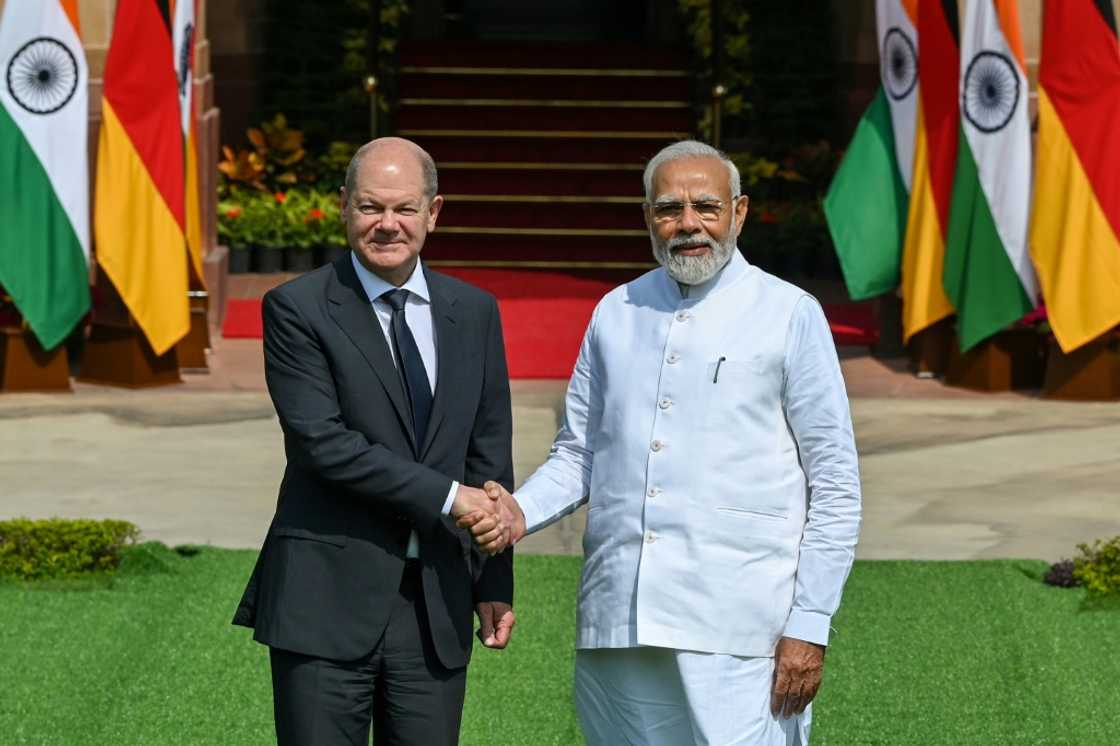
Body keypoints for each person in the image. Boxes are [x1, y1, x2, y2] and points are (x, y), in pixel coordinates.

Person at [464, 140, 862, 745]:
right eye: (670, 209)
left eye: (707, 206)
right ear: (648, 216)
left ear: (739, 212)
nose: (688, 224)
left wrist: (810, 621)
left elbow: (834, 483)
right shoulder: (616, 310)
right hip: (619, 617)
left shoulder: (788, 312)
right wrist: (519, 511)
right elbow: (579, 453)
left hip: (740, 624)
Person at [233, 137, 516, 746]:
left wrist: (494, 580)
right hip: (325, 600)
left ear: (433, 213)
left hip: (436, 603)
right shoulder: (297, 308)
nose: (388, 224)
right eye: (370, 207)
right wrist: (450, 497)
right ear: (344, 206)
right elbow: (323, 444)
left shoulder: (475, 311)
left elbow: (489, 454)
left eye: (405, 208)